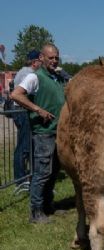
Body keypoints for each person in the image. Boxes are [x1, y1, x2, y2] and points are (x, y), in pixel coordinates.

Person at [11, 44, 66, 224]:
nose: (54, 60)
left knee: (53, 172)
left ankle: (48, 206)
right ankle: (36, 212)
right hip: (43, 133)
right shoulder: (34, 77)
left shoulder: (57, 78)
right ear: (41, 58)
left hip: (57, 132)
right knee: (41, 173)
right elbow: (16, 95)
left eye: (56, 57)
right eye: (50, 57)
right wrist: (38, 109)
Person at [11, 50, 42, 192]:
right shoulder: (29, 74)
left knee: (26, 145)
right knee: (24, 146)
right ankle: (21, 179)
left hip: (21, 111)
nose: (42, 63)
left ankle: (26, 176)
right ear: (35, 62)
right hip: (22, 111)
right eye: (40, 61)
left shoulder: (23, 71)